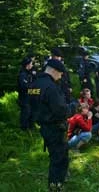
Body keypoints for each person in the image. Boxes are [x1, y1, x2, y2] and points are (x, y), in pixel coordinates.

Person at [28, 59, 69, 191]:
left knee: (54, 154)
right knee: (59, 157)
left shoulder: (34, 84)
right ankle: (56, 184)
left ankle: (57, 181)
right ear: (54, 71)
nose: (61, 76)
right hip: (55, 126)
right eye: (60, 73)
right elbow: (60, 110)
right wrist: (74, 107)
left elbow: (29, 105)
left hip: (43, 125)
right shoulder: (51, 87)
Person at [17, 57, 34, 131]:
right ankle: (23, 129)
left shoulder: (29, 73)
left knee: (31, 112)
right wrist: (36, 91)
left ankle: (30, 127)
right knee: (26, 113)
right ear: (27, 65)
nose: (32, 65)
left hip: (29, 98)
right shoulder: (22, 74)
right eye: (31, 63)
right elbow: (25, 87)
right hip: (24, 98)